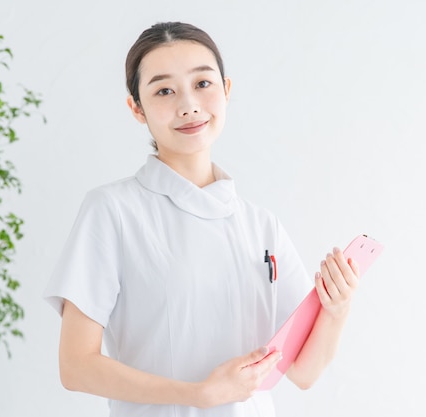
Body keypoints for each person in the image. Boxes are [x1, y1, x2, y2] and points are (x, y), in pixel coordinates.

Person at [43, 21, 360, 417]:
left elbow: (301, 371)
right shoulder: (112, 210)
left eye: (203, 84)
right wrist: (196, 393)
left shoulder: (261, 225)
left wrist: (337, 308)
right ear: (136, 108)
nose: (188, 104)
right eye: (163, 90)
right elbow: (76, 366)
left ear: (226, 90)